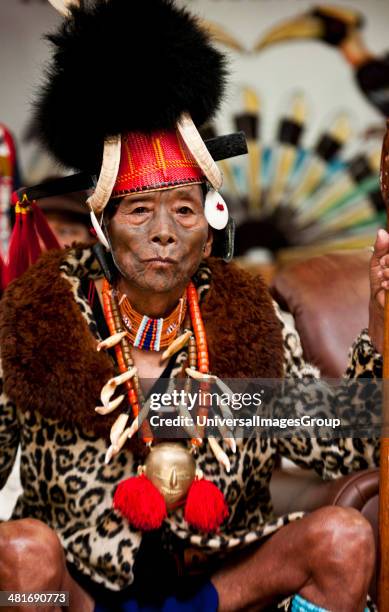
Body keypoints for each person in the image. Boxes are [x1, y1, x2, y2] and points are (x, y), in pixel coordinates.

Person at [0, 1, 386, 611]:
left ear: (210, 224)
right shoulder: (40, 317)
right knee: (20, 552)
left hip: (220, 583)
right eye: (138, 211)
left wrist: (381, 317)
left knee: (342, 537)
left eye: (183, 208)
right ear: (103, 225)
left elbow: (349, 443)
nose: (163, 232)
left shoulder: (247, 318)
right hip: (79, 592)